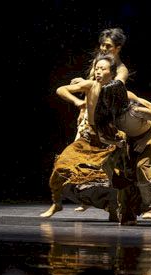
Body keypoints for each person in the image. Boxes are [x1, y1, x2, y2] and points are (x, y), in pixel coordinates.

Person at [41, 54, 122, 219]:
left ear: (112, 73)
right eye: (96, 68)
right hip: (88, 139)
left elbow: (137, 103)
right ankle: (57, 203)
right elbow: (61, 89)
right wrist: (77, 102)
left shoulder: (118, 91)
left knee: (112, 177)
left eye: (103, 69)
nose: (98, 72)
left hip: (109, 141)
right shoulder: (91, 85)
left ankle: (114, 208)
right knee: (61, 165)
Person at [94, 79, 151, 224]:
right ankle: (128, 212)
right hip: (132, 139)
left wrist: (144, 140)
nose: (105, 101)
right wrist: (115, 142)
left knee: (141, 165)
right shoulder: (109, 113)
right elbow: (102, 137)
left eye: (108, 98)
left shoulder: (135, 110)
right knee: (119, 170)